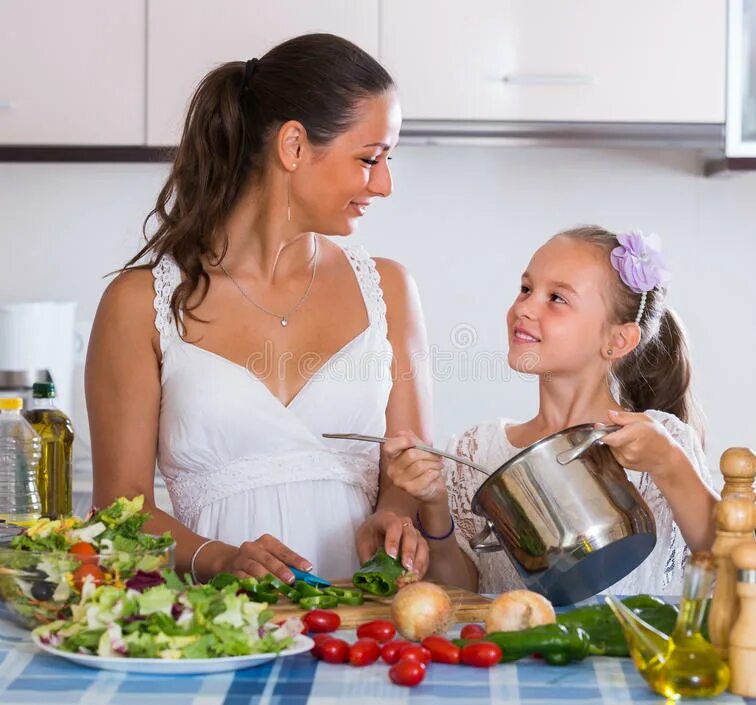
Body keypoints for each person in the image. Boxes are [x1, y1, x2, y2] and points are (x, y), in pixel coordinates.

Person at [86, 34, 432, 584]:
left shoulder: (388, 288)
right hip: (223, 629)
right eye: (370, 159)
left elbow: (408, 467)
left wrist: (394, 513)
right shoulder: (139, 304)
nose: (385, 185)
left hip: (362, 629)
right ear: (293, 146)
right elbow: (118, 513)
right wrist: (220, 557)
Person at [384, 225, 718, 595]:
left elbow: (733, 558)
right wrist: (434, 507)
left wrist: (669, 465)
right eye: (526, 289)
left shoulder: (661, 442)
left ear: (618, 339)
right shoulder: (475, 451)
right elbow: (460, 593)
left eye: (557, 298)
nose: (524, 307)